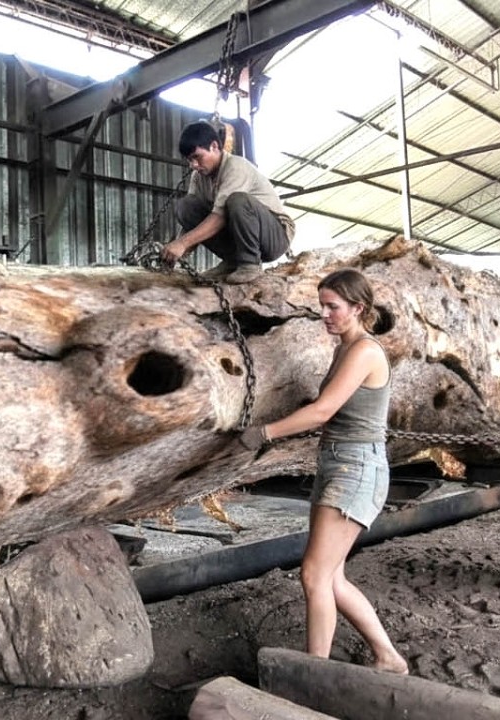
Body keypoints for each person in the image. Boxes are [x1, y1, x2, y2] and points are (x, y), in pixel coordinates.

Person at [237, 268, 407, 673]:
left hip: (357, 467)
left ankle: (315, 674)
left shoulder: (365, 350)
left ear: (358, 308)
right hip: (337, 462)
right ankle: (388, 656)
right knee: (330, 577)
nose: (325, 315)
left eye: (333, 307)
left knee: (314, 575)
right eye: (322, 307)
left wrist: (263, 433)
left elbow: (323, 411)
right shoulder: (343, 349)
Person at [160, 120, 294, 285]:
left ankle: (249, 264)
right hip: (240, 233)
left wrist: (182, 243)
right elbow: (193, 223)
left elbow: (219, 217)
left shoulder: (236, 167)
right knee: (186, 206)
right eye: (189, 160)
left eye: (197, 157)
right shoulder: (199, 177)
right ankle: (233, 261)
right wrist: (177, 252)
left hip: (275, 237)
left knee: (238, 200)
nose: (194, 165)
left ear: (214, 146)